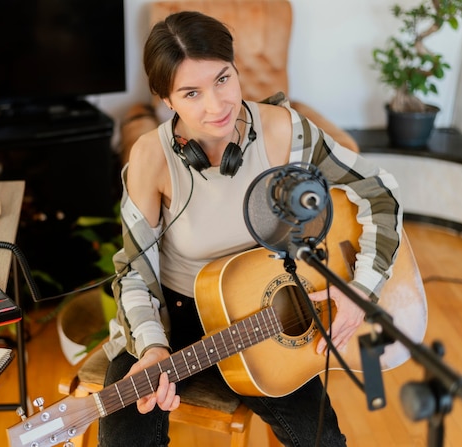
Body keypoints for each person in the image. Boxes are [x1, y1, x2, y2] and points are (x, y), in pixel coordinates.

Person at [99, 10, 402, 447]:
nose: (216, 105)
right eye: (191, 93)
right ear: (167, 99)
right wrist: (151, 347)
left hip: (277, 311)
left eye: (223, 79)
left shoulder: (284, 130)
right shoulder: (150, 158)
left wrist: (361, 288)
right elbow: (133, 271)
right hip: (176, 320)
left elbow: (381, 194)